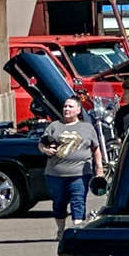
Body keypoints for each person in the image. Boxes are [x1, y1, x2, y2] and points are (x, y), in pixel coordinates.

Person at [39, 94, 107, 233]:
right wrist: (46, 150)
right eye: (65, 106)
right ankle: (61, 230)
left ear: (78, 110)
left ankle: (77, 231)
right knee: (59, 204)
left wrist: (99, 168)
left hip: (80, 173)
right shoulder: (54, 126)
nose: (66, 109)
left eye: (70, 106)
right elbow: (42, 143)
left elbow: (96, 148)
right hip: (56, 174)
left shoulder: (87, 128)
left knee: (78, 201)